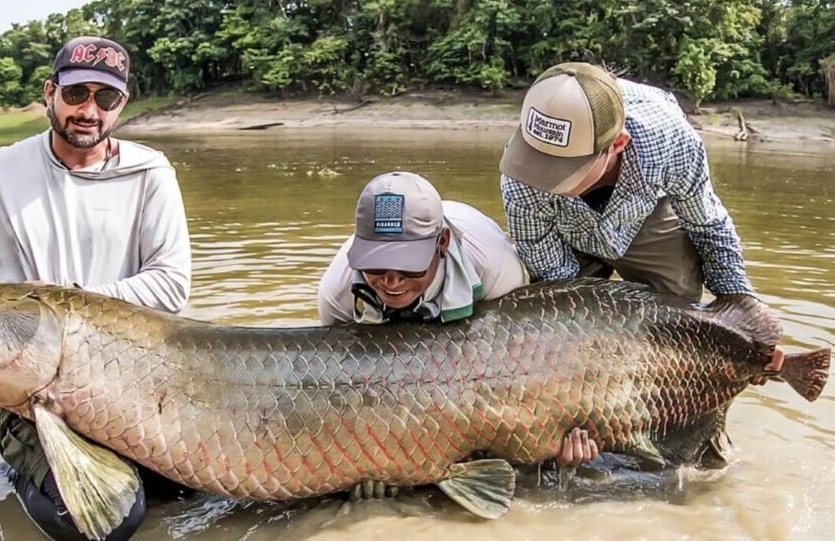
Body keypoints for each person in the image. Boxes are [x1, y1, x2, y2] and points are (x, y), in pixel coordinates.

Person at [0, 36, 192, 541]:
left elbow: (170, 284)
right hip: (27, 385)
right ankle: (25, 455)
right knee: (107, 524)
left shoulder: (150, 173)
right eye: (76, 94)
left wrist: (67, 297)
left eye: (105, 99)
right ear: (50, 92)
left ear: (121, 106)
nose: (89, 110)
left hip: (123, 377)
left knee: (195, 488)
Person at [498, 62, 784, 372]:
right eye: (538, 161)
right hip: (566, 225)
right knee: (562, 334)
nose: (542, 177)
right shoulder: (520, 175)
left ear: (617, 144)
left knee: (680, 323)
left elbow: (707, 226)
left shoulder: (670, 140)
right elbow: (555, 274)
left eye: (563, 169)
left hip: (644, 212)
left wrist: (741, 311)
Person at [316, 171, 599, 476]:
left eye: (408, 265)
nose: (392, 280)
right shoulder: (337, 291)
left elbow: (515, 375)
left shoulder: (496, 269)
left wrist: (547, 436)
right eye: (376, 264)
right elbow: (350, 389)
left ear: (442, 243)